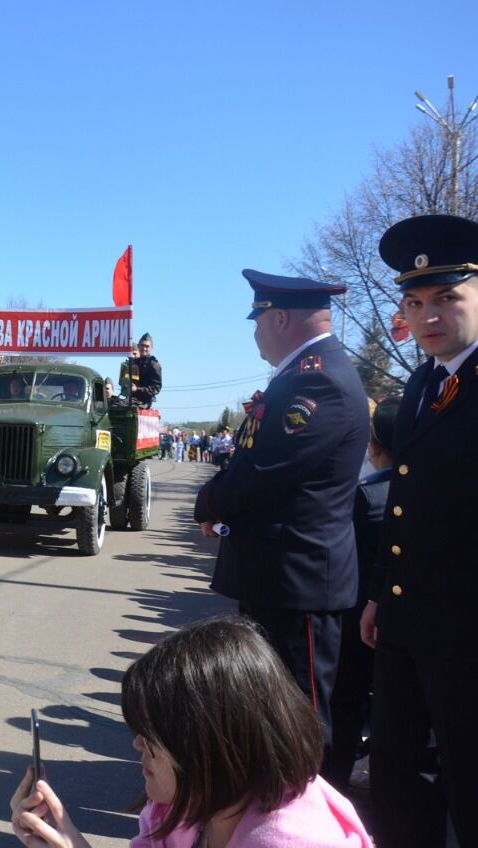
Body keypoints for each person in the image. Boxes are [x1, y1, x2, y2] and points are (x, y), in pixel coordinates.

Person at [194, 270, 368, 758]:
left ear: (282, 318)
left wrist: (207, 503)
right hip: (278, 578)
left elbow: (265, 471)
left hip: (298, 583)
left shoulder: (319, 381)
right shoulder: (300, 376)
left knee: (299, 723)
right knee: (271, 719)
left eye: (259, 319)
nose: (255, 333)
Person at [10, 616, 372, 848]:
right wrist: (68, 840)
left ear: (211, 744)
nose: (137, 743)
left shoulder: (294, 840)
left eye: (152, 733)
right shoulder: (184, 806)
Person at [360, 214, 478, 848]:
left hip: (466, 636)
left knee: (467, 785)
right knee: (396, 781)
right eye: (415, 302)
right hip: (407, 625)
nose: (428, 316)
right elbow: (403, 504)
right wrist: (381, 592)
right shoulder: (425, 381)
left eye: (447, 298)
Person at [326, 396, 397, 791]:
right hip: (408, 621)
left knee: (347, 701)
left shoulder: (365, 496)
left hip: (357, 616)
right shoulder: (433, 490)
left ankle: (334, 784)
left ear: (373, 446)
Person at [123, 332, 163, 407]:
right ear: (138, 346)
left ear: (152, 347)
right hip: (131, 398)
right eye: (142, 345)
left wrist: (137, 389)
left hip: (144, 401)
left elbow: (156, 388)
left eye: (147, 346)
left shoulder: (154, 365)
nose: (144, 348)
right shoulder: (134, 363)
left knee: (119, 404)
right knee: (110, 401)